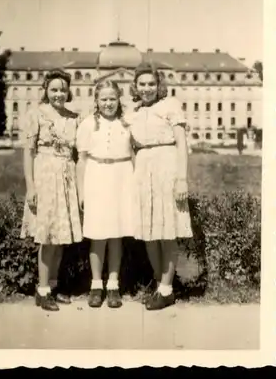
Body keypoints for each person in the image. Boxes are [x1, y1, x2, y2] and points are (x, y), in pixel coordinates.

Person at [126, 62, 193, 311]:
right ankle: (159, 284)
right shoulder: (132, 113)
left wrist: (181, 178)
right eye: (142, 84)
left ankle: (167, 289)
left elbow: (181, 143)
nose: (146, 88)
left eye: (151, 84)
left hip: (167, 168)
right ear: (135, 86)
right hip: (144, 172)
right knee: (150, 232)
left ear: (159, 85)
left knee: (167, 230)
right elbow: (131, 148)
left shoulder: (171, 106)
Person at [20, 69, 83, 311]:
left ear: (69, 92)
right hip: (45, 176)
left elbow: (78, 153)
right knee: (47, 237)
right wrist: (31, 186)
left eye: (63, 90)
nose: (58, 94)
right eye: (54, 89)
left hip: (66, 178)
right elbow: (29, 152)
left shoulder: (73, 117)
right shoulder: (36, 114)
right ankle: (42, 289)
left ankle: (54, 286)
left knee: (60, 237)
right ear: (46, 90)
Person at [76, 80, 134, 309]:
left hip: (122, 178)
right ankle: (96, 285)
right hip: (96, 177)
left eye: (112, 98)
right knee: (98, 235)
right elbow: (80, 161)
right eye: (104, 99)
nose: (108, 103)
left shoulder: (128, 123)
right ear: (96, 101)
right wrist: (81, 192)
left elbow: (134, 154)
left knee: (116, 234)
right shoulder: (88, 124)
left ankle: (113, 285)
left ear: (119, 99)